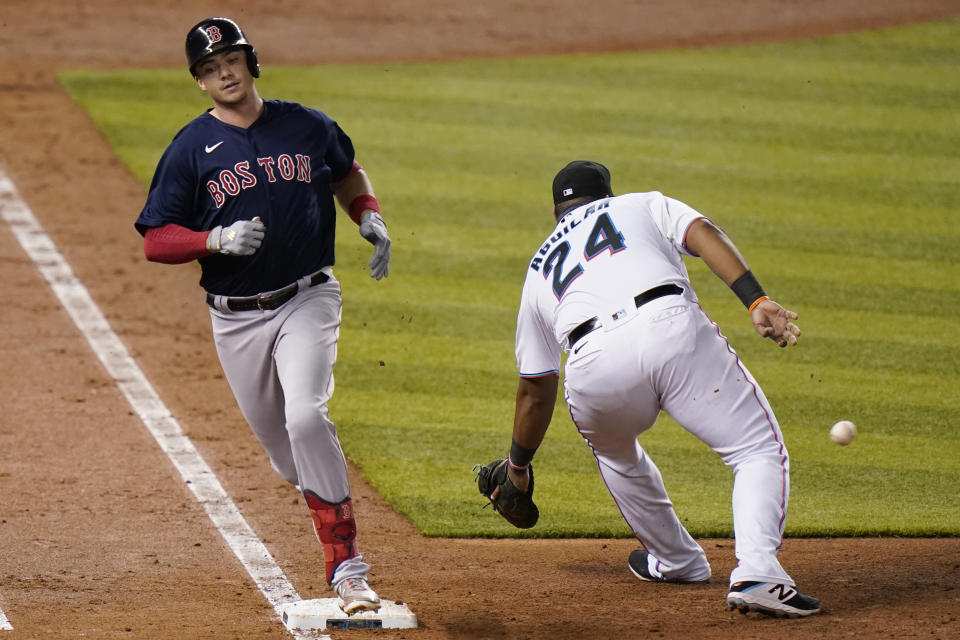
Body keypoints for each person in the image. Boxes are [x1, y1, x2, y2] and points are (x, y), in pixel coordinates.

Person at [134, 17, 391, 614]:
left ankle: (346, 567)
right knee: (287, 455)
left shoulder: (306, 124)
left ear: (251, 63)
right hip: (237, 319)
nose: (223, 72)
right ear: (200, 81)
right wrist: (214, 240)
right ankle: (328, 498)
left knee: (306, 417)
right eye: (209, 67)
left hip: (309, 297)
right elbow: (155, 239)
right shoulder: (191, 148)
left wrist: (369, 215)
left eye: (231, 59)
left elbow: (347, 172)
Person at [501, 160, 820, 617]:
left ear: (557, 214)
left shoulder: (538, 270)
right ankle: (758, 573)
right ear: (607, 196)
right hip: (667, 329)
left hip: (591, 366)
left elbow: (535, 388)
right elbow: (703, 231)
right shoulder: (639, 204)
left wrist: (518, 466)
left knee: (616, 455)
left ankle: (677, 561)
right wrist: (755, 297)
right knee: (754, 450)